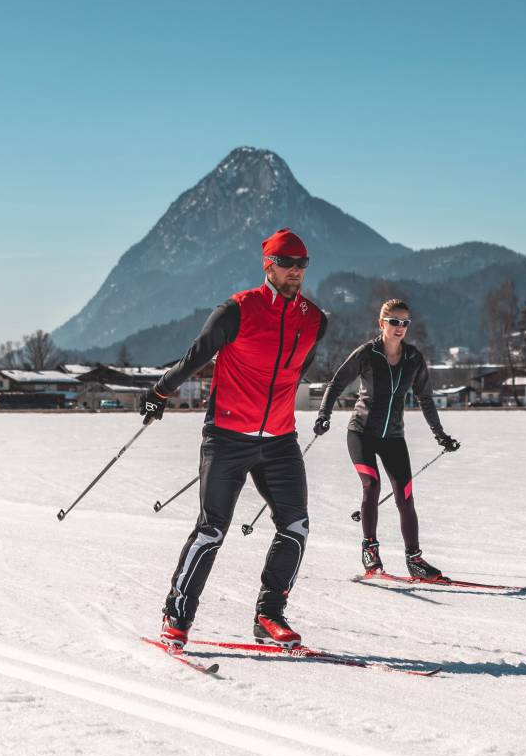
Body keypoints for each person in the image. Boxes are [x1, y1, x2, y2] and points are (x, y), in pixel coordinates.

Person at [138, 229, 328, 650]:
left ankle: (269, 615)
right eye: (287, 262)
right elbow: (196, 356)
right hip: (226, 437)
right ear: (268, 265)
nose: (296, 271)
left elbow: (297, 371)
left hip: (280, 440)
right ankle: (177, 615)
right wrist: (159, 392)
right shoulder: (238, 310)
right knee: (212, 530)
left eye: (302, 264)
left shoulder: (315, 320)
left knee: (296, 526)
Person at [313, 299, 460, 580]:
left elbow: (426, 398)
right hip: (361, 433)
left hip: (393, 437)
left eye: (405, 323)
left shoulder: (413, 359)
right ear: (381, 323)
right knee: (372, 486)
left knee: (405, 497)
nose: (400, 327)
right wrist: (324, 415)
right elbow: (337, 382)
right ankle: (370, 550)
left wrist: (440, 435)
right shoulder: (367, 353)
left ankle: (415, 560)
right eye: (394, 321)